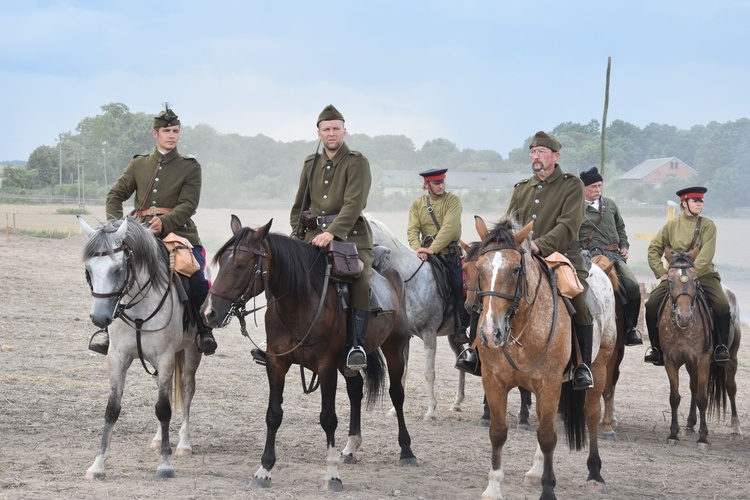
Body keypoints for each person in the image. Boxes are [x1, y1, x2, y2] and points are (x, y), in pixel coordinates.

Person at [93, 104, 217, 356]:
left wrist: (166, 221)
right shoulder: (139, 164)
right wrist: (118, 228)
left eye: (176, 131)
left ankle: (204, 330)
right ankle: (106, 331)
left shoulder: (190, 166)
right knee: (113, 272)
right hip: (140, 233)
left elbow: (189, 204)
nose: (172, 135)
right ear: (155, 134)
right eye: (167, 131)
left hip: (179, 234)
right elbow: (115, 194)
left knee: (198, 279)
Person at [502, 131, 594, 390]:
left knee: (580, 302)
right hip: (524, 258)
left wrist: (538, 245)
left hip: (561, 258)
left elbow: (568, 225)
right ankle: (476, 353)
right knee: (491, 292)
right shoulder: (522, 188)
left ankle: (581, 366)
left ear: (555, 156)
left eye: (541, 151)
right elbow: (509, 221)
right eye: (533, 152)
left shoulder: (571, 185)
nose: (536, 156)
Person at [289, 104, 374, 372]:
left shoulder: (356, 162)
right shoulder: (310, 163)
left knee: (358, 277)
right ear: (319, 134)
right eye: (326, 129)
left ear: (345, 132)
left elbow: (354, 204)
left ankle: (356, 345)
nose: (331, 133)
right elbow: (299, 204)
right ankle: (281, 339)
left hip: (352, 238)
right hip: (313, 236)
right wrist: (296, 233)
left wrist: (331, 232)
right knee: (285, 271)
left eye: (336, 128)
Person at [643, 186, 730, 365]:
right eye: (695, 201)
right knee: (651, 305)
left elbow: (707, 252)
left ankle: (721, 346)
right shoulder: (671, 225)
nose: (699, 204)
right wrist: (661, 272)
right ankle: (656, 349)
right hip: (675, 277)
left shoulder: (708, 225)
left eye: (701, 201)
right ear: (684, 203)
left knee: (722, 304)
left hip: (702, 274)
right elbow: (654, 249)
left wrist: (693, 272)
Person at [405, 168, 473, 371]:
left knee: (459, 284)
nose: (441, 186)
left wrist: (432, 249)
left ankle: (461, 328)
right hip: (424, 253)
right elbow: (412, 229)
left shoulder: (453, 201)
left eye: (442, 182)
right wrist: (417, 248)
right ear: (426, 185)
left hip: (448, 255)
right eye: (436, 183)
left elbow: (450, 229)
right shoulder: (418, 204)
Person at [578, 167, 643, 346]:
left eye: (599, 185)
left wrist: (624, 245)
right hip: (588, 256)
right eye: (593, 186)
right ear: (583, 188)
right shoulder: (575, 208)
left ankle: (630, 330)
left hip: (614, 256)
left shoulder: (611, 204)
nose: (598, 189)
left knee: (632, 286)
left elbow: (621, 228)